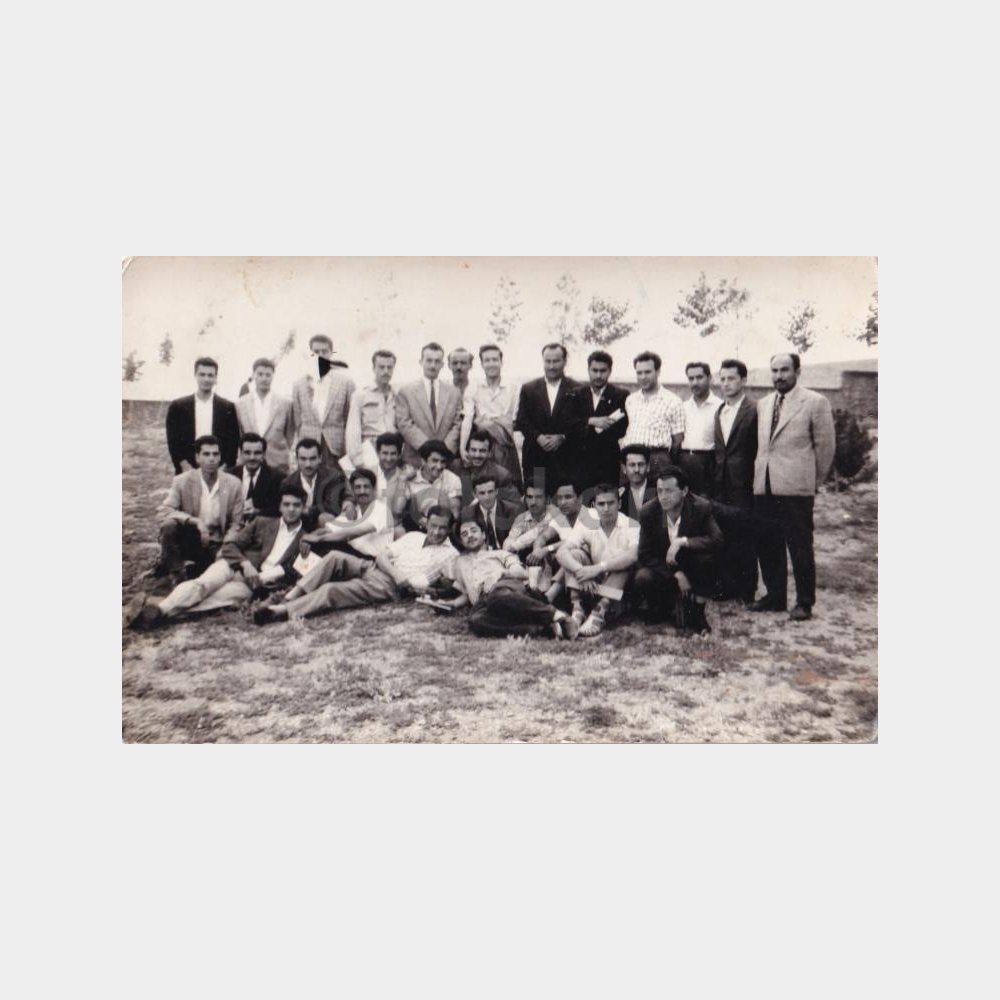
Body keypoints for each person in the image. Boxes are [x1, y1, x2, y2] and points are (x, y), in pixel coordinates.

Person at [127, 485, 308, 628]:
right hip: (232, 566)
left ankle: (154, 614)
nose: (291, 509)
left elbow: (295, 572)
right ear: (280, 506)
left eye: (296, 505)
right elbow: (230, 545)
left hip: (253, 585)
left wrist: (262, 580)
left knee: (212, 603)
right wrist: (245, 564)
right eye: (286, 504)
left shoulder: (306, 539)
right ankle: (160, 609)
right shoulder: (262, 523)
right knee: (202, 585)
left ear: (304, 507)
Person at [253, 506, 459, 624]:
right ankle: (290, 596)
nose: (437, 532)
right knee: (334, 557)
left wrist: (429, 589)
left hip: (389, 586)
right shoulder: (414, 536)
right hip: (376, 568)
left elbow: (441, 585)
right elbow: (382, 556)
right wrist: (396, 573)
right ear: (426, 523)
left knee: (332, 590)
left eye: (442, 528)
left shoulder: (450, 554)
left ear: (450, 529)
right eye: (433, 526)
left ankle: (282, 611)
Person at [751, 353, 836, 621]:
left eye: (784, 370)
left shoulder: (815, 402)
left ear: (797, 371)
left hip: (796, 489)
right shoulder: (764, 404)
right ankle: (775, 597)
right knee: (768, 543)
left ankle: (804, 602)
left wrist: (812, 482)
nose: (779, 376)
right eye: (774, 370)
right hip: (765, 485)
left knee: (799, 546)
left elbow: (825, 447)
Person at [439, 517, 579, 639]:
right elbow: (465, 593)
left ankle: (557, 615)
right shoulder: (460, 563)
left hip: (506, 589)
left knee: (497, 596)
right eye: (464, 534)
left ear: (483, 535)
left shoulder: (500, 554)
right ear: (462, 541)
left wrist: (501, 574)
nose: (469, 535)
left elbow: (521, 573)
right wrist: (452, 604)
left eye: (473, 530)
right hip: (482, 603)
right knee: (476, 620)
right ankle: (544, 630)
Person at [634, 466, 723, 635]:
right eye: (660, 491)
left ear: (684, 491)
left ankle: (697, 612)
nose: (663, 496)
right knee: (642, 577)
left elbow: (717, 539)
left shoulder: (700, 507)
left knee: (707, 560)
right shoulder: (648, 511)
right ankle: (663, 607)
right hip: (663, 566)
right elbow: (644, 553)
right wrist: (676, 575)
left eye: (669, 491)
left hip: (690, 563)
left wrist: (683, 542)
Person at [149, 436, 245, 587]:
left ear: (220, 457)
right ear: (197, 458)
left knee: (214, 577)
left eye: (215, 454)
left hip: (217, 542)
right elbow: (164, 510)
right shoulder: (182, 480)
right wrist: (195, 521)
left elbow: (237, 523)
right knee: (169, 526)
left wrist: (226, 546)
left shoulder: (234, 483)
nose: (211, 459)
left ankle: (196, 567)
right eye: (206, 454)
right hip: (191, 537)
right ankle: (177, 574)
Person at [556, 483, 640, 637]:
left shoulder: (632, 525)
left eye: (611, 503)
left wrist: (598, 568)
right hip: (591, 584)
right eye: (601, 504)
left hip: (619, 589)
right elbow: (561, 552)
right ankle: (577, 609)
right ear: (594, 506)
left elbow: (633, 556)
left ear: (619, 504)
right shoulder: (587, 523)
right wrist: (581, 571)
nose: (606, 508)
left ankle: (599, 613)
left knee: (624, 563)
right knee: (574, 554)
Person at [713, 359, 759, 603]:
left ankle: (747, 590)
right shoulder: (720, 411)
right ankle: (727, 586)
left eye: (731, 378)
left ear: (743, 380)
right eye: (722, 379)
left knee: (745, 534)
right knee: (723, 534)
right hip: (721, 483)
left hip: (744, 482)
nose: (726, 383)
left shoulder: (754, 410)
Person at [515, 342, 582, 495]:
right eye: (548, 361)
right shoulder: (529, 388)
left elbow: (581, 422)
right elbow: (522, 420)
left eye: (556, 361)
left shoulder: (578, 389)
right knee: (538, 500)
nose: (551, 366)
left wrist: (563, 437)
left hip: (566, 460)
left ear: (564, 361)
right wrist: (538, 437)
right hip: (536, 458)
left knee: (564, 502)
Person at [458, 343, 523, 489]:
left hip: (506, 443)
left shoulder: (513, 387)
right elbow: (468, 419)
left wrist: (493, 424)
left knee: (505, 483)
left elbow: (514, 419)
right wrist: (462, 447)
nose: (491, 364)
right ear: (482, 364)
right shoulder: (473, 387)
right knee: (482, 484)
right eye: (487, 360)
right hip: (483, 444)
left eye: (495, 359)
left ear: (501, 362)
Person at [291, 334, 356, 473]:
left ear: (331, 353)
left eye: (324, 351)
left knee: (333, 481)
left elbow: (349, 419)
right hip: (308, 446)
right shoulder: (299, 385)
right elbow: (297, 421)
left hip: (335, 447)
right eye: (316, 352)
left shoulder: (346, 383)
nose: (320, 355)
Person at [300, 467, 395, 559]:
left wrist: (319, 539)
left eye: (366, 487)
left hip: (373, 560)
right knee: (313, 546)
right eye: (358, 487)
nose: (362, 491)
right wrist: (308, 539)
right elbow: (326, 530)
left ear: (374, 490)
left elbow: (352, 534)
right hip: (353, 554)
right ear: (352, 491)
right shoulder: (353, 511)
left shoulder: (381, 509)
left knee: (324, 546)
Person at [165, 357, 241, 473]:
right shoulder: (178, 407)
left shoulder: (227, 407)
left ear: (216, 378)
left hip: (218, 469)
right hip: (188, 469)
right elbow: (173, 441)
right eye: (202, 374)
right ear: (195, 375)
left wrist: (223, 469)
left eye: (210, 375)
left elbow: (233, 442)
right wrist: (185, 466)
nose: (206, 379)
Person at [395, 342, 463, 467]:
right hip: (416, 458)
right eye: (429, 360)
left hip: (445, 459)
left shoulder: (454, 392)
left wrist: (444, 448)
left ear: (442, 365)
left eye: (437, 361)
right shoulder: (406, 391)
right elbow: (404, 423)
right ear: (421, 362)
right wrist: (426, 447)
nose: (433, 365)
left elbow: (458, 423)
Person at [569, 350, 629, 491]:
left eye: (603, 371)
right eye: (594, 370)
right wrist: (591, 421)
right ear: (588, 370)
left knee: (607, 499)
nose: (598, 375)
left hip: (607, 461)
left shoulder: (620, 395)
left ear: (610, 371)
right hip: (580, 462)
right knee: (583, 500)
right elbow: (568, 423)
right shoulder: (576, 394)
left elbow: (622, 428)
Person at [620, 351, 685, 481]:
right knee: (628, 493)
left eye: (647, 372)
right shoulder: (631, 400)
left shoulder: (673, 401)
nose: (643, 377)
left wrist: (663, 460)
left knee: (656, 493)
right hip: (631, 458)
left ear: (658, 372)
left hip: (657, 460)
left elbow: (677, 440)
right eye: (639, 373)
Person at [235, 357, 296, 473]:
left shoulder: (285, 404)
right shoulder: (241, 404)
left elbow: (290, 435)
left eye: (268, 375)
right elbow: (240, 434)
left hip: (278, 464)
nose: (264, 378)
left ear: (273, 376)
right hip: (249, 462)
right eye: (260, 374)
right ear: (254, 375)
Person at [280, 437, 352, 531]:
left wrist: (307, 510)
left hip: (323, 525)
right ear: (297, 459)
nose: (308, 464)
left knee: (325, 517)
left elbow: (330, 506)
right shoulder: (288, 482)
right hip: (299, 524)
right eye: (303, 459)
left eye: (312, 459)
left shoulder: (333, 476)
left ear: (320, 458)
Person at [345, 349, 398, 471]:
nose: (386, 371)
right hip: (369, 452)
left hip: (391, 454)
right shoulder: (361, 395)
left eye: (389, 367)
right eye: (381, 367)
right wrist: (358, 460)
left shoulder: (397, 396)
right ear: (374, 368)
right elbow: (353, 430)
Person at [678, 361, 721, 497]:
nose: (695, 382)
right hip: (684, 461)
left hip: (708, 463)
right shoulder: (682, 407)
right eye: (691, 378)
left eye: (699, 377)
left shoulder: (720, 406)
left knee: (705, 503)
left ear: (710, 378)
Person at [402, 439, 464, 529]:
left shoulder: (452, 479)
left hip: (443, 527)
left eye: (443, 462)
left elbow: (455, 513)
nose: (439, 466)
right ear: (423, 460)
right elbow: (401, 511)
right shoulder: (411, 480)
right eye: (434, 461)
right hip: (416, 526)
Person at [452, 428, 519, 505]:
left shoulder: (501, 475)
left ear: (489, 453)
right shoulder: (455, 467)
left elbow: (514, 504)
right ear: (467, 450)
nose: (477, 455)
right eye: (473, 450)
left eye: (482, 451)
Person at [458, 472, 524, 550]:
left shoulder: (512, 511)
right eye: (482, 493)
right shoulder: (468, 514)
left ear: (496, 491)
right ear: (475, 495)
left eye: (490, 492)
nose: (487, 497)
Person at [232, 432, 285, 520]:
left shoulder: (278, 478)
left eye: (257, 453)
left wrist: (258, 512)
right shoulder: (230, 475)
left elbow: (279, 510)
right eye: (247, 453)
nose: (252, 457)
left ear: (264, 454)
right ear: (240, 453)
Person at [618, 445, 657, 519]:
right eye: (632, 465)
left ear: (648, 467)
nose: (636, 470)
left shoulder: (658, 491)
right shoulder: (619, 494)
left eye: (640, 464)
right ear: (624, 468)